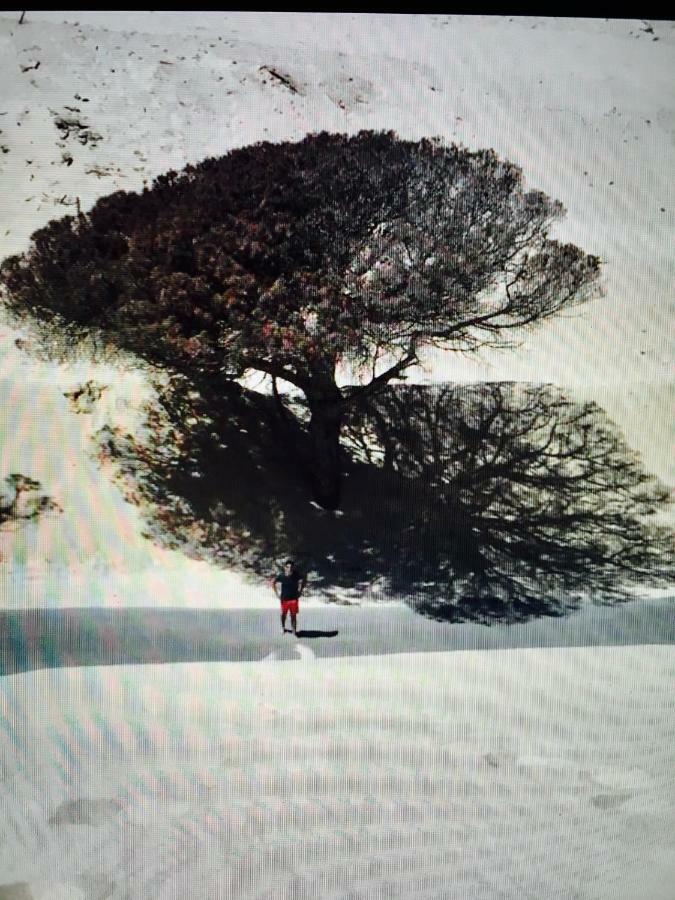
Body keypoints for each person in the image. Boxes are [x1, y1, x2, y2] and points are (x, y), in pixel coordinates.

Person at [272, 559, 305, 635]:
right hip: (284, 599)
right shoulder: (282, 575)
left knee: (293, 615)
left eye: (291, 567)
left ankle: (294, 630)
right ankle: (283, 628)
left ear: (293, 567)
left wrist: (300, 591)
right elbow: (273, 582)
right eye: (288, 567)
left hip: (294, 599)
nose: (289, 568)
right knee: (283, 614)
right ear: (285, 567)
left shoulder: (296, 575)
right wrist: (277, 594)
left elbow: (302, 580)